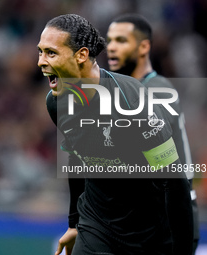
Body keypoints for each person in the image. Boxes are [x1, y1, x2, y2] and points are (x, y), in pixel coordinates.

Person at [37, 14, 193, 255]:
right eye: (41, 52)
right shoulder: (57, 104)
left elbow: (174, 181)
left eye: (51, 53)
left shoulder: (133, 101)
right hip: (96, 227)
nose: (41, 62)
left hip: (149, 234)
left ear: (81, 55)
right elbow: (77, 159)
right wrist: (74, 223)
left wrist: (181, 250)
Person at [106, 13, 199, 253]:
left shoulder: (157, 91)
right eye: (110, 40)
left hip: (168, 223)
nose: (111, 48)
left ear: (144, 46)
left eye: (121, 40)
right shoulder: (137, 91)